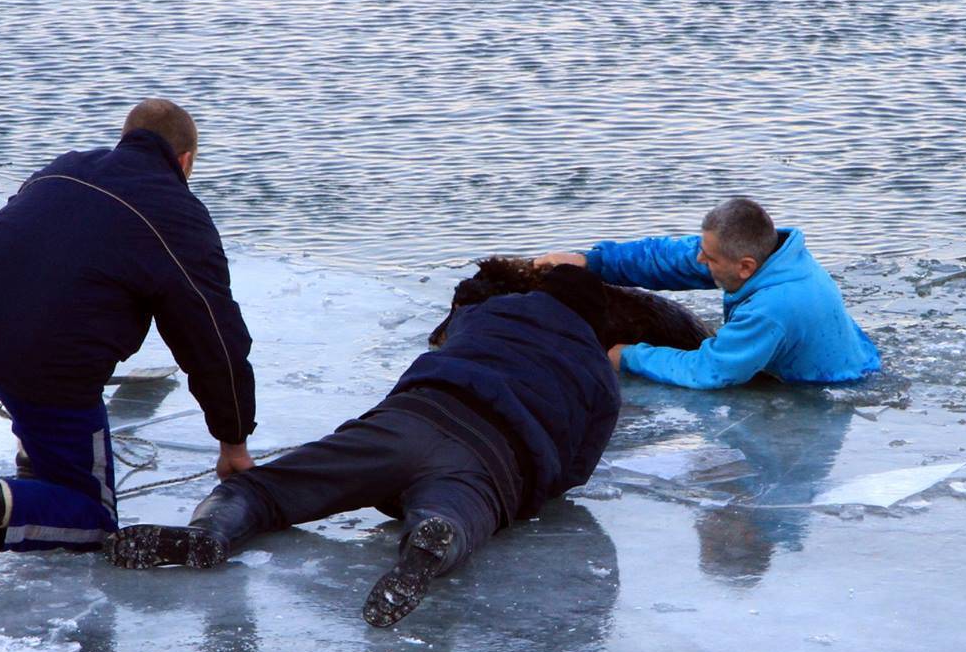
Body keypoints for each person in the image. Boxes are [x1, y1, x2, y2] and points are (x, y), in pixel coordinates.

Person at [106, 265, 621, 628]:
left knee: (267, 489)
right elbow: (573, 472)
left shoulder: (491, 311)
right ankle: (432, 536)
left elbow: (444, 347)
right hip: (492, 459)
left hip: (413, 417)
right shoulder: (600, 374)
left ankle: (212, 532)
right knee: (457, 519)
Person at [0, 98, 257, 580]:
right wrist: (233, 443)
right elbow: (214, 339)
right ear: (185, 161)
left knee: (41, 374)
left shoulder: (66, 168)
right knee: (93, 520)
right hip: (47, 359)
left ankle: (37, 469)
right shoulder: (176, 213)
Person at [536, 197, 879, 389]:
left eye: (709, 257)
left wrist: (629, 356)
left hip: (825, 388)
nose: (700, 260)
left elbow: (711, 371)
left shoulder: (772, 308)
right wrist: (591, 261)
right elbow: (671, 258)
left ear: (745, 266)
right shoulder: (772, 253)